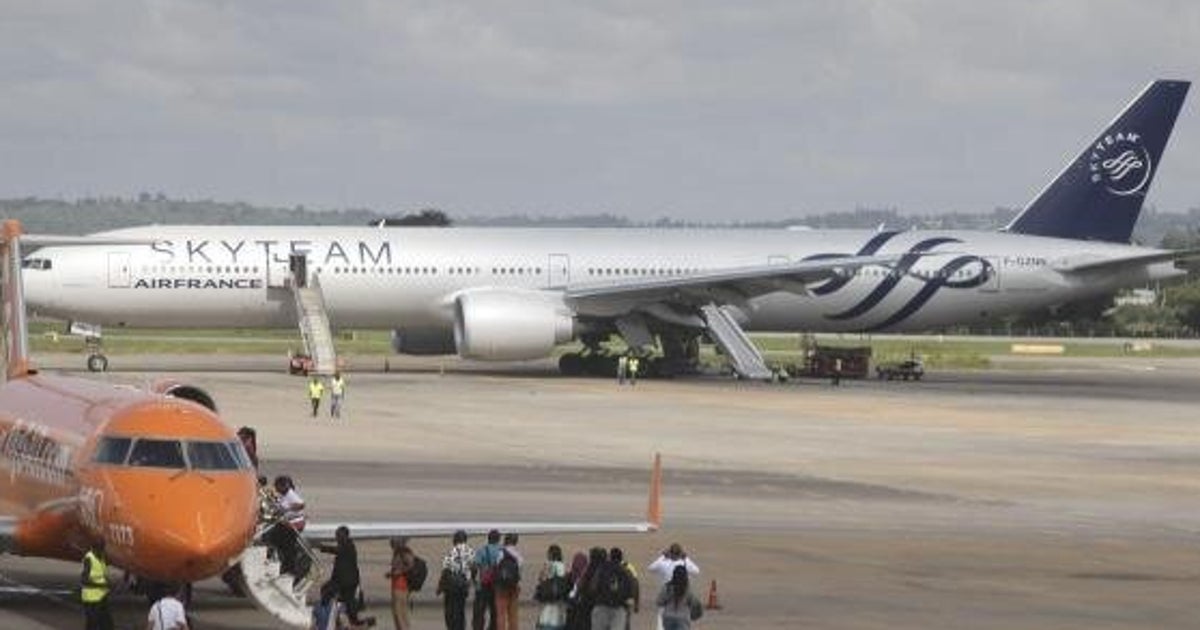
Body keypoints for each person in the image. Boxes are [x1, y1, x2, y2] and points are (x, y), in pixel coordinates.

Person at [321, 526, 368, 627]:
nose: (336, 538)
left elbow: (336, 550)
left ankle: (329, 617)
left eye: (338, 535)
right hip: (344, 580)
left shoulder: (348, 545)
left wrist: (321, 547)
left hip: (346, 581)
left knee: (329, 592)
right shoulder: (346, 545)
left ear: (344, 536)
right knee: (347, 601)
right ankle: (347, 620)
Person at [646, 544, 699, 630]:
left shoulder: (664, 564)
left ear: (670, 553)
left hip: (666, 595)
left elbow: (651, 568)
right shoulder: (684, 564)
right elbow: (696, 571)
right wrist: (686, 558)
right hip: (683, 597)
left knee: (662, 624)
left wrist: (662, 556)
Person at [589, 548, 633, 630]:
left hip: (601, 606)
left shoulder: (602, 569)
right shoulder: (626, 571)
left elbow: (593, 588)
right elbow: (630, 591)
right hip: (619, 608)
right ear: (621, 558)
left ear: (610, 557)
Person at [439, 530, 474, 630]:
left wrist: (440, 587)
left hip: (451, 586)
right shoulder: (470, 552)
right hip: (463, 586)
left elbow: (446, 570)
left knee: (450, 612)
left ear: (455, 540)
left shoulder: (452, 552)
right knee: (460, 610)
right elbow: (474, 568)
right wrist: (470, 580)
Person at [471, 529, 503, 630]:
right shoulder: (503, 551)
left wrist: (473, 579)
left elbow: (475, 566)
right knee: (495, 611)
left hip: (483, 584)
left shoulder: (482, 550)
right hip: (498, 585)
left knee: (479, 611)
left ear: (488, 539)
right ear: (499, 539)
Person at [81, 540, 113, 630]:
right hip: (91, 598)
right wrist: (102, 585)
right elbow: (84, 580)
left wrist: (108, 582)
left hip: (102, 596)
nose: (102, 551)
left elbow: (102, 574)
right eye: (100, 549)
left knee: (107, 623)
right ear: (94, 548)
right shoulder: (89, 559)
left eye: (102, 548)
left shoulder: (101, 558)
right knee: (93, 623)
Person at [494, 533, 523, 630]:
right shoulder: (519, 555)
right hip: (514, 586)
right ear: (516, 542)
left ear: (505, 541)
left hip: (501, 586)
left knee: (501, 613)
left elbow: (497, 568)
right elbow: (520, 573)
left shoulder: (500, 553)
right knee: (513, 614)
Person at [535, 544, 568, 630]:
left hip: (547, 598)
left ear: (550, 554)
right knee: (557, 621)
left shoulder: (547, 565)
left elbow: (541, 579)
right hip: (558, 600)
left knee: (545, 619)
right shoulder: (562, 565)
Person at [385, 538, 415, 630]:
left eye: (393, 543)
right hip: (397, 586)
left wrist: (397, 573)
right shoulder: (399, 552)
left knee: (399, 613)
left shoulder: (403, 553)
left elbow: (410, 566)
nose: (391, 545)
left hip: (400, 586)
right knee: (398, 613)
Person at [608, 548, 639, 630]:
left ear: (610, 557)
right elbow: (635, 584)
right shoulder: (628, 566)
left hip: (607, 603)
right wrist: (636, 602)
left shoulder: (605, 567)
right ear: (622, 557)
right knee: (625, 624)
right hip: (623, 602)